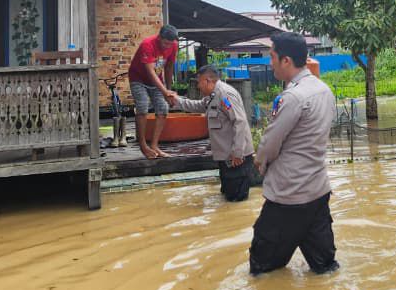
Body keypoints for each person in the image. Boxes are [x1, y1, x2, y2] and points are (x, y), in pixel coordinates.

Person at [249, 32, 340, 276]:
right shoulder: (324, 90)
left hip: (288, 196)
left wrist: (259, 162)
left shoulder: (292, 97)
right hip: (318, 191)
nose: (270, 63)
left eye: (272, 57)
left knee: (262, 268)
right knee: (325, 267)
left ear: (286, 61)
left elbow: (269, 144)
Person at [165, 65, 256, 201]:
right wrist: (177, 101)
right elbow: (197, 106)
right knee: (227, 197)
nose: (198, 86)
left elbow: (240, 121)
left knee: (236, 201)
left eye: (199, 82)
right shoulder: (212, 96)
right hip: (226, 158)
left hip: (236, 158)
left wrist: (238, 152)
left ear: (208, 81)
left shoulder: (225, 95)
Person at [128, 25, 179, 159]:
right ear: (159, 37)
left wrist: (169, 89)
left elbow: (168, 67)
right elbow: (150, 72)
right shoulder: (147, 45)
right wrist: (165, 92)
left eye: (170, 44)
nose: (168, 46)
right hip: (138, 78)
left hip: (157, 80)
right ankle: (143, 145)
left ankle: (154, 146)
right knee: (143, 106)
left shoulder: (173, 45)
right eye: (165, 43)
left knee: (163, 107)